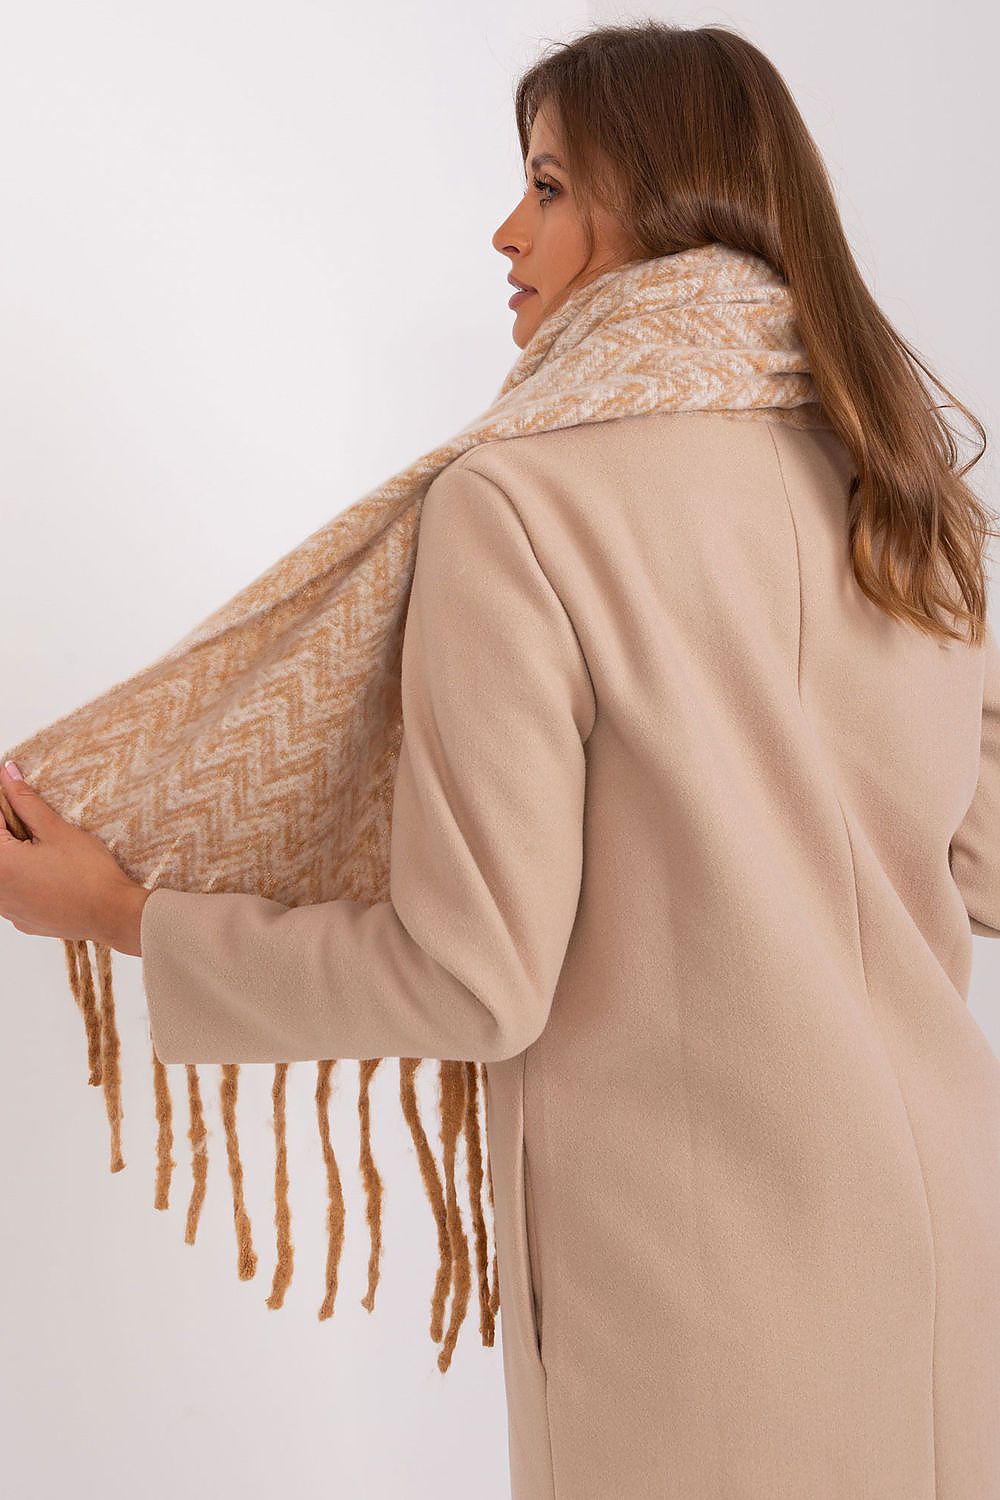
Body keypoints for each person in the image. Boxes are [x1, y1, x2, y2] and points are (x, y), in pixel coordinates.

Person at [1, 20, 998, 1500]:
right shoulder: (903, 487)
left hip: (698, 1322)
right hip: (947, 1263)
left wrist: (129, 916)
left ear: (662, 199)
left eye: (547, 185)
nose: (505, 231)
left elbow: (475, 978)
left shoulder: (519, 505)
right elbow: (984, 865)